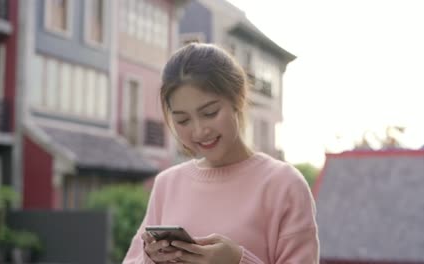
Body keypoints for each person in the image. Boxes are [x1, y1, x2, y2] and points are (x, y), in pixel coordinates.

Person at [123, 43, 319, 264]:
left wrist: (237, 261)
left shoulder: (284, 185)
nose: (199, 130)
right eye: (183, 120)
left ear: (237, 99)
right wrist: (152, 259)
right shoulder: (167, 184)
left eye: (210, 113)